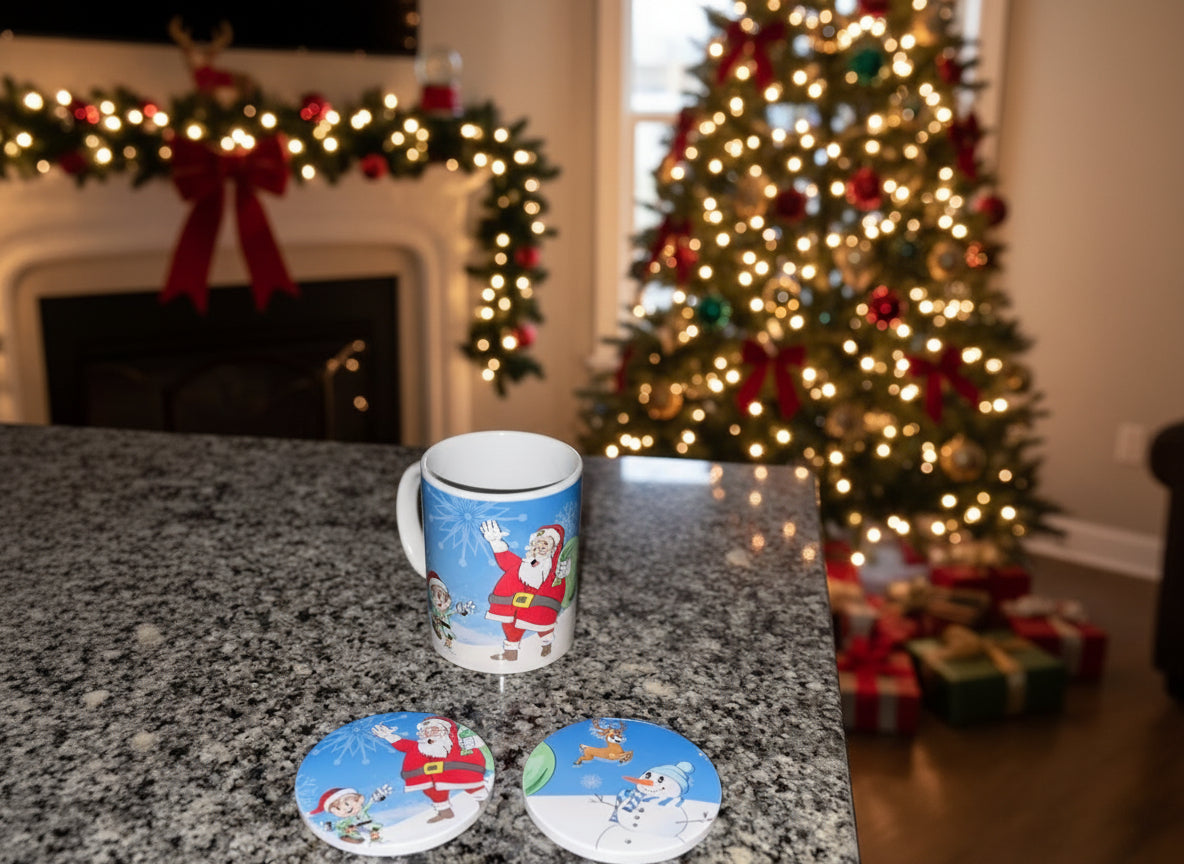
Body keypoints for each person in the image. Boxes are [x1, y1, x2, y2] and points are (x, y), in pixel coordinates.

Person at [481, 520, 570, 661]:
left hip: (541, 603)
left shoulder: (552, 568)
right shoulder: (525, 564)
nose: (540, 547)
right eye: (537, 543)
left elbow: (559, 582)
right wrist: (496, 542)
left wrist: (562, 571)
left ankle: (547, 644)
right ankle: (511, 653)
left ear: (553, 548)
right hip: (518, 602)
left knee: (543, 623)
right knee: (511, 624)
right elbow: (506, 561)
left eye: (545, 544)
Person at [371, 716, 488, 822]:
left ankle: (483, 801)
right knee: (433, 792)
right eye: (426, 731)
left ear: (445, 731)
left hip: (457, 772)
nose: (429, 734)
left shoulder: (455, 742)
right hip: (430, 777)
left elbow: (475, 743)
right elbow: (403, 744)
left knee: (471, 784)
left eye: (434, 730)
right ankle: (445, 812)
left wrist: (473, 741)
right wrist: (388, 736)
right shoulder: (419, 746)